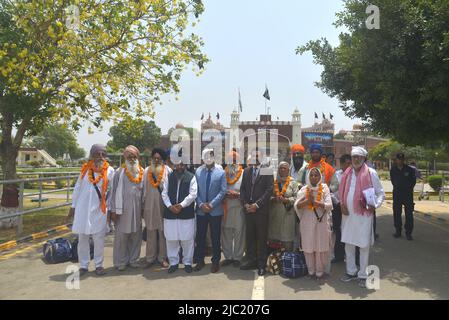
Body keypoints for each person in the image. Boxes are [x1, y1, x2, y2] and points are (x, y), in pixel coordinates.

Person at [339, 146, 385, 288]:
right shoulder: (347, 173)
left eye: (359, 156)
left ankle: (363, 275)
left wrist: (375, 204)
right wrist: (341, 204)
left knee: (363, 245)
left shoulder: (371, 173)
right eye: (354, 157)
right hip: (348, 215)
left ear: (364, 158)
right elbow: (341, 192)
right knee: (349, 243)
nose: (356, 159)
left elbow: (380, 193)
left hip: (364, 216)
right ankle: (351, 272)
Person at [68, 144, 115, 276]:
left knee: (98, 238)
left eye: (103, 154)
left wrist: (109, 210)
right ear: (92, 155)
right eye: (97, 154)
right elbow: (77, 188)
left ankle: (99, 265)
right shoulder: (85, 169)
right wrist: (73, 206)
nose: (100, 157)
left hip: (100, 210)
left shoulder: (110, 171)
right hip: (83, 209)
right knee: (82, 238)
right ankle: (83, 265)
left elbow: (111, 192)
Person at [239, 149, 274, 276]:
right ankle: (251, 260)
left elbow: (269, 190)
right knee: (250, 238)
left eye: (258, 155)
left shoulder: (267, 170)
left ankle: (261, 265)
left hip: (261, 211)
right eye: (253, 155)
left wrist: (257, 205)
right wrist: (245, 204)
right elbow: (242, 189)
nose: (255, 158)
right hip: (248, 211)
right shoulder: (247, 171)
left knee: (261, 238)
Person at [295, 167, 333, 282]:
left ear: (320, 177)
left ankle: (320, 272)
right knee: (308, 248)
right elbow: (297, 206)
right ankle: (311, 271)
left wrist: (315, 202)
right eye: (311, 175)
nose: (313, 177)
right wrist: (307, 201)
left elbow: (329, 205)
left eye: (316, 175)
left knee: (321, 248)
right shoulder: (304, 190)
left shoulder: (324, 188)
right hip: (306, 222)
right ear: (308, 176)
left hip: (321, 223)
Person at [161, 155, 198, 274]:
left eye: (182, 164)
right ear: (175, 164)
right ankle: (173, 263)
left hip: (186, 213)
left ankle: (187, 262)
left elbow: (193, 194)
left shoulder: (191, 177)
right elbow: (164, 194)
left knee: (187, 239)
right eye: (178, 164)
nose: (180, 167)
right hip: (170, 213)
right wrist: (170, 206)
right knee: (171, 239)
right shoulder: (169, 176)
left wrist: (181, 205)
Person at [110, 145, 144, 271]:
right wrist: (113, 210)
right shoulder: (119, 172)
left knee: (136, 236)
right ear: (125, 157)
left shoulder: (142, 172)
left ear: (137, 157)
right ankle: (121, 262)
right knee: (122, 237)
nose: (132, 158)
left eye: (134, 156)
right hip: (122, 210)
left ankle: (133, 260)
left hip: (137, 209)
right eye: (129, 156)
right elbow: (113, 192)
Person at [193, 149, 227, 273]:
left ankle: (215, 261)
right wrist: (201, 204)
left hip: (215, 210)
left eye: (211, 155)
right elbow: (194, 190)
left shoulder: (220, 172)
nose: (208, 158)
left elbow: (223, 191)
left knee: (215, 237)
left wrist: (211, 204)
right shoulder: (198, 171)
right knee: (200, 236)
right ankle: (200, 260)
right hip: (201, 210)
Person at [142, 148, 172, 269]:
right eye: (154, 158)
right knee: (150, 232)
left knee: (163, 233)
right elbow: (143, 190)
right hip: (149, 206)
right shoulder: (146, 171)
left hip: (163, 207)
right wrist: (142, 207)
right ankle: (150, 258)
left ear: (162, 160)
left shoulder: (168, 171)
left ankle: (162, 258)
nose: (156, 160)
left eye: (158, 158)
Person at [221, 150, 245, 268]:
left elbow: (247, 190)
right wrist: (226, 193)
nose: (233, 162)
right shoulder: (222, 172)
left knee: (239, 232)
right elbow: (219, 187)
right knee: (226, 232)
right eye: (231, 160)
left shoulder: (244, 173)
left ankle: (237, 257)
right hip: (226, 207)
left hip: (239, 206)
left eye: (235, 160)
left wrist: (238, 194)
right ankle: (228, 257)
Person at [268, 162, 300, 251]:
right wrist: (274, 199)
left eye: (284, 168)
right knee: (274, 239)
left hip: (288, 215)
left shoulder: (293, 183)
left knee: (287, 240)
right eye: (280, 168)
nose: (282, 170)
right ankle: (274, 262)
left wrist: (286, 200)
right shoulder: (273, 182)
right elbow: (267, 196)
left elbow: (297, 197)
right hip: (275, 215)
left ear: (288, 170)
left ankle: (287, 261)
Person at [331, 154, 352, 263]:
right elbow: (332, 191)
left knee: (351, 231)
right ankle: (339, 256)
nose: (349, 166)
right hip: (338, 207)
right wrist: (339, 203)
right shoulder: (337, 175)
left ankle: (352, 257)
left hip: (351, 209)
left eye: (350, 163)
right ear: (342, 163)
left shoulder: (354, 175)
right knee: (339, 231)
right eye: (347, 163)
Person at [390, 153, 416, 240]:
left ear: (404, 160)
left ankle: (408, 233)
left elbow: (413, 181)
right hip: (397, 194)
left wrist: (407, 188)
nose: (400, 161)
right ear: (396, 160)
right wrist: (398, 187)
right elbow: (393, 180)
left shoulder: (410, 170)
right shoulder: (393, 169)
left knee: (409, 214)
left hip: (408, 195)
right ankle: (398, 231)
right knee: (397, 213)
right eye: (398, 159)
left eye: (402, 159)